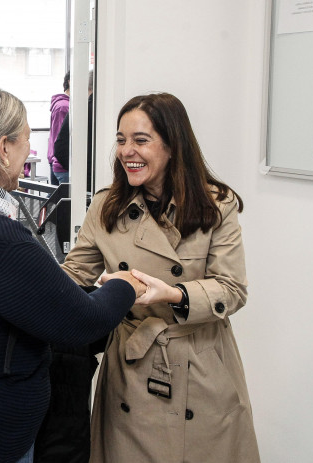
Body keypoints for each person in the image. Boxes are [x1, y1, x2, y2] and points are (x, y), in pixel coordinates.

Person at [0, 85, 147, 463]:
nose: (30, 152)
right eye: (25, 140)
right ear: (3, 148)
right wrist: (123, 285)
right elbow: (82, 322)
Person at [61, 92, 260, 462]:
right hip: (131, 369)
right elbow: (73, 275)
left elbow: (232, 289)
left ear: (172, 146)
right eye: (121, 140)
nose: (126, 152)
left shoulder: (216, 205)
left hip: (200, 366)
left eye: (140, 140)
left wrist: (173, 295)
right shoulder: (106, 206)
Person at [52, 70, 94, 189]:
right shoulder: (64, 106)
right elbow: (60, 145)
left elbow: (59, 144)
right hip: (68, 169)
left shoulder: (79, 109)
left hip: (68, 167)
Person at [47, 71, 70, 185]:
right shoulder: (64, 106)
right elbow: (60, 139)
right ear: (70, 82)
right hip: (61, 164)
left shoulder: (63, 104)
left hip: (57, 161)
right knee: (56, 200)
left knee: (55, 199)